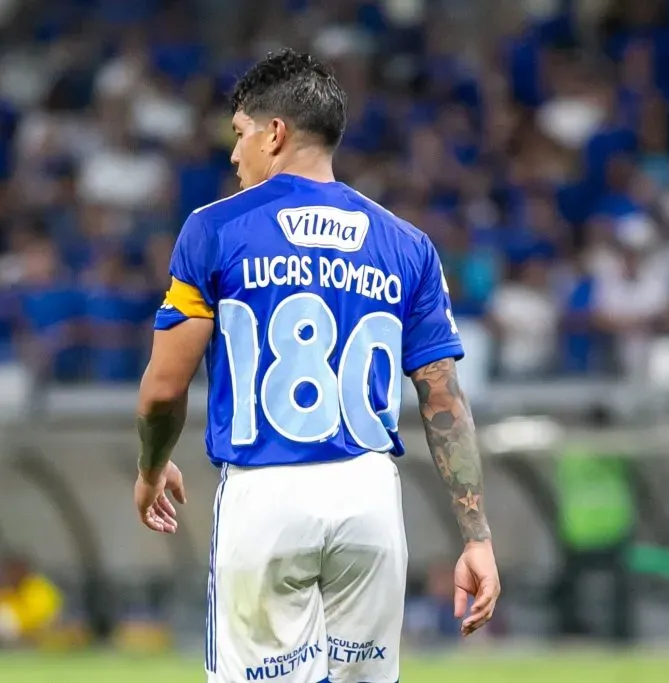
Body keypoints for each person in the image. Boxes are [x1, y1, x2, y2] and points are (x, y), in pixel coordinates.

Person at [132, 50, 501, 683]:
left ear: (273, 134)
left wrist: (150, 466)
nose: (234, 154)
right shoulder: (407, 244)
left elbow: (165, 390)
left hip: (265, 492)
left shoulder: (214, 229)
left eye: (239, 134)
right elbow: (443, 400)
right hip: (370, 497)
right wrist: (477, 535)